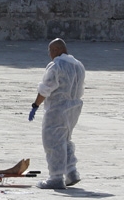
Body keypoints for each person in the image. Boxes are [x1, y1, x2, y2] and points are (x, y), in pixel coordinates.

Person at [28, 38, 85, 189]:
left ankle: (56, 177)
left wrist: (35, 105)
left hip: (57, 109)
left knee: (53, 141)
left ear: (56, 50)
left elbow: (46, 88)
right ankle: (71, 172)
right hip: (74, 108)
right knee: (65, 140)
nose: (49, 54)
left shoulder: (57, 65)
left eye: (50, 51)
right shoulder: (78, 65)